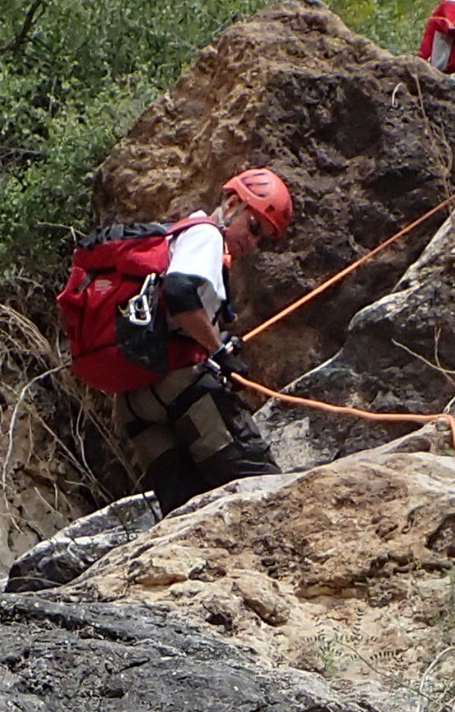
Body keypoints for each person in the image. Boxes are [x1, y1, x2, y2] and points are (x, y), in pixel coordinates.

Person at [62, 167, 293, 517]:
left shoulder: (175, 238)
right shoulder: (207, 235)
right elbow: (179, 292)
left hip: (135, 404)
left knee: (183, 513)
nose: (252, 241)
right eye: (254, 227)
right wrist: (218, 350)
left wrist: (215, 341)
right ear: (232, 203)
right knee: (259, 490)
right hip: (180, 388)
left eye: (262, 239)